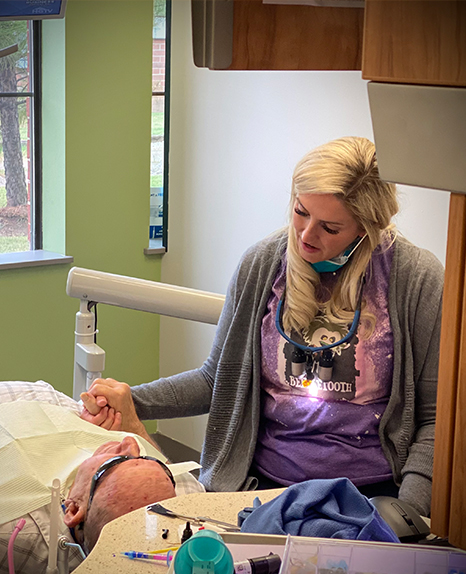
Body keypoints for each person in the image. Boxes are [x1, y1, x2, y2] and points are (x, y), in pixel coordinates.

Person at [81, 137, 444, 518]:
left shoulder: (415, 279)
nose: (305, 235)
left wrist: (407, 515)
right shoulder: (262, 265)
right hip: (259, 488)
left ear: (366, 229)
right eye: (301, 212)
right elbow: (216, 380)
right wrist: (130, 399)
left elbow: (435, 419)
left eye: (330, 227)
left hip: (369, 498)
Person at [0, 381, 203, 574]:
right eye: (146, 456)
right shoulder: (189, 490)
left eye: (115, 462)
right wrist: (131, 428)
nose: (129, 442)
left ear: (74, 508)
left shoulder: (13, 527)